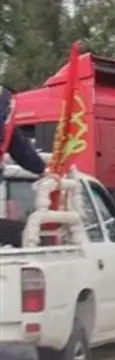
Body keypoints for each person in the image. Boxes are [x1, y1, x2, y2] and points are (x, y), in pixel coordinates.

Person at [0, 86, 49, 248]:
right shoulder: (6, 103)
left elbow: (18, 146)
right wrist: (42, 170)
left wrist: (41, 169)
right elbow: (19, 147)